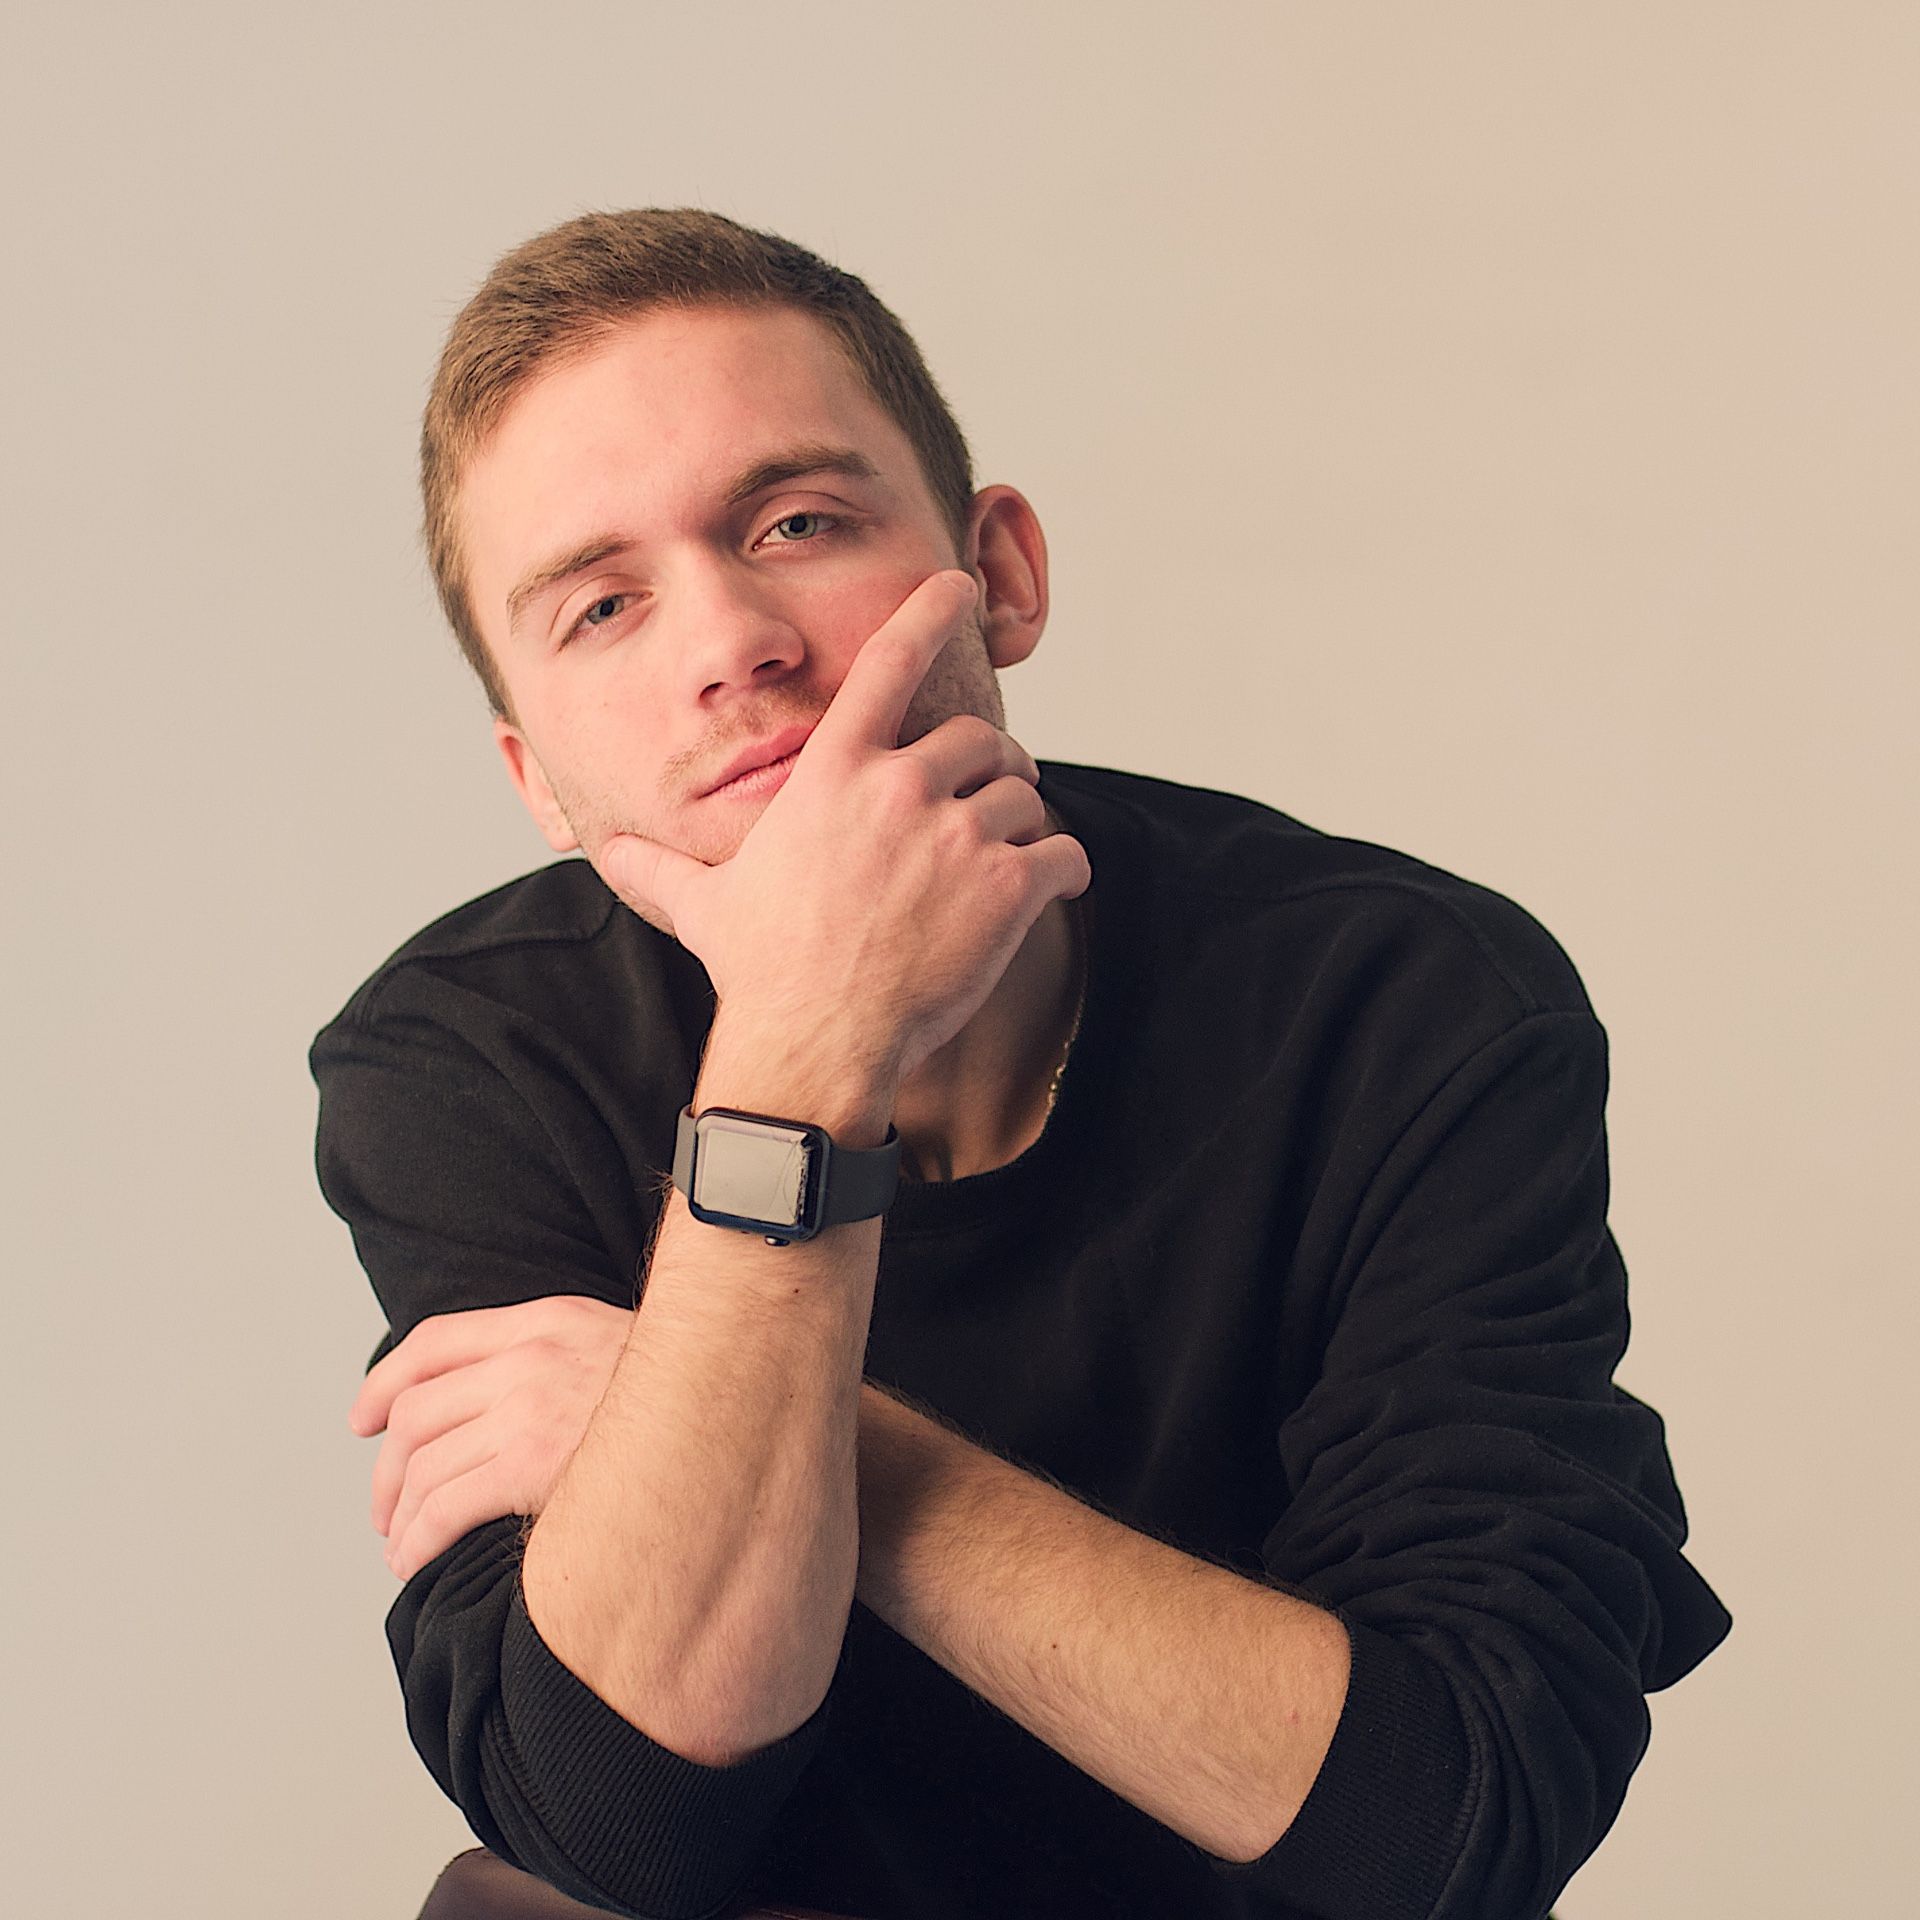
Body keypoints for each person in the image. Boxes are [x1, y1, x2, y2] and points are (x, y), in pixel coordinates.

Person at [310, 207, 1732, 1920]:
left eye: (798, 522)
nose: (731, 644)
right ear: (537, 779)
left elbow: (1447, 1826)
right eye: (604, 606)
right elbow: (623, 1825)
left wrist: (740, 1421)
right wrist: (803, 1042)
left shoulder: (1404, 998)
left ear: (1000, 574)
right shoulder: (467, 1054)